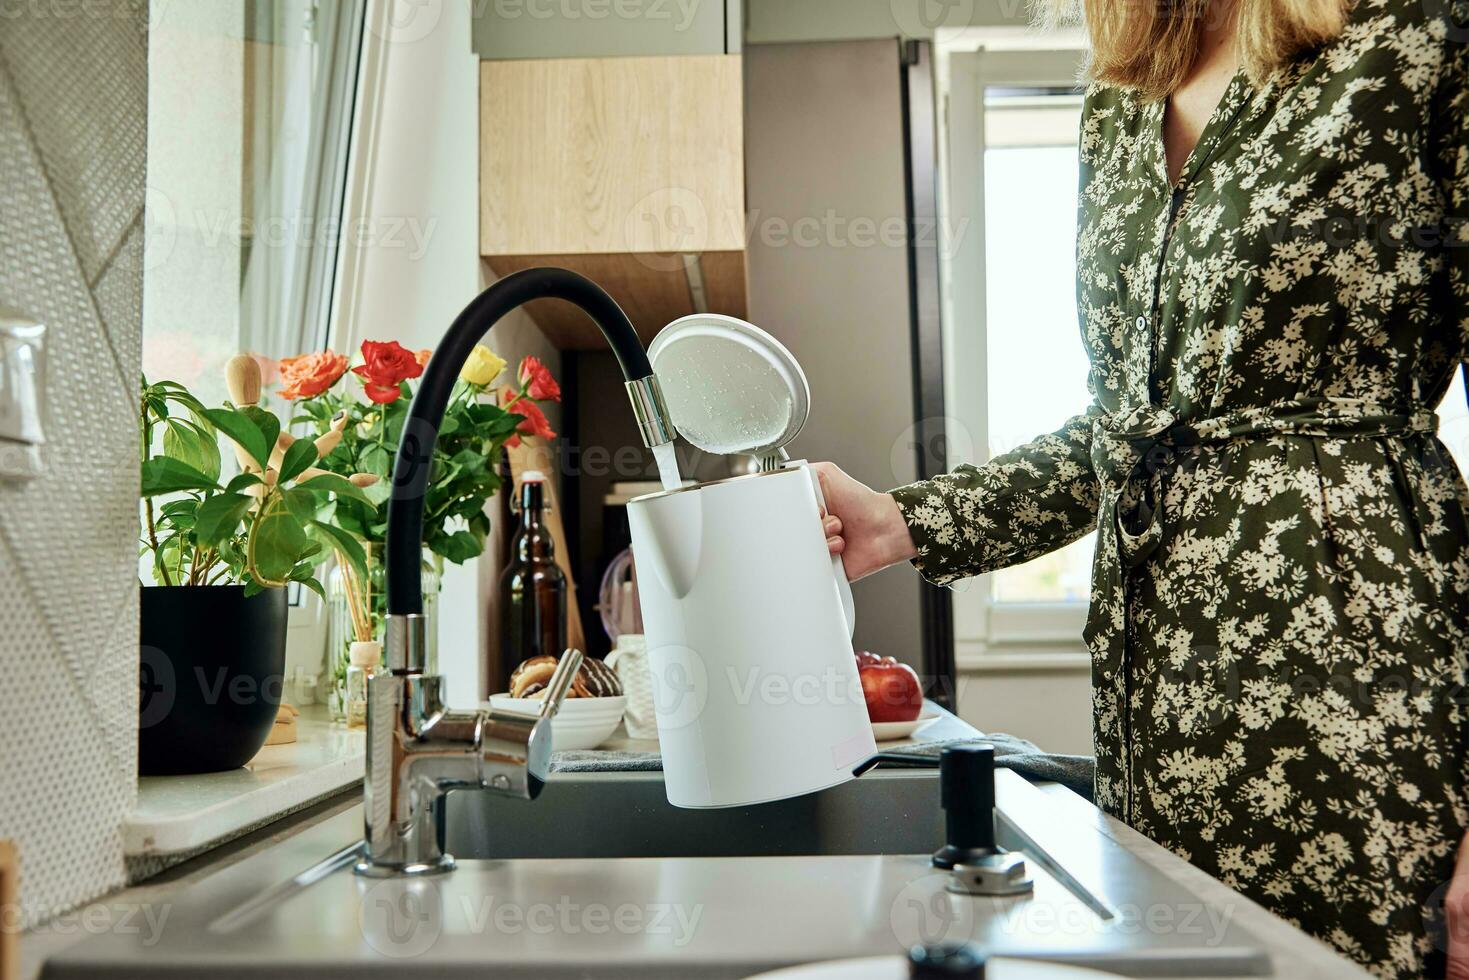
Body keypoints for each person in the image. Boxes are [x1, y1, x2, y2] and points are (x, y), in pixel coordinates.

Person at [815, 1, 1469, 976]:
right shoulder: (1118, 100)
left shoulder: (1413, 36)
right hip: (1152, 708)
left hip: (1362, 710)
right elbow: (1123, 429)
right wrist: (897, 520)